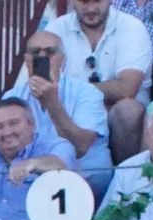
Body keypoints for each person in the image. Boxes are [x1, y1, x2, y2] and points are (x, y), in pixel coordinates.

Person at [41, 0, 153, 161]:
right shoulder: (55, 29)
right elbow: (43, 81)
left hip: (115, 115)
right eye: (84, 2)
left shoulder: (132, 27)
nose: (91, 8)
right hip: (71, 111)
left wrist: (74, 92)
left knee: (128, 110)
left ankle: (124, 179)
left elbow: (127, 89)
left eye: (97, 1)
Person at [11, 28, 115, 192]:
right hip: (31, 180)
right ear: (26, 61)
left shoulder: (87, 92)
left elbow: (80, 147)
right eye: (35, 52)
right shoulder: (13, 97)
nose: (42, 57)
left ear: (62, 60)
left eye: (50, 52)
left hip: (84, 178)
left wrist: (52, 102)